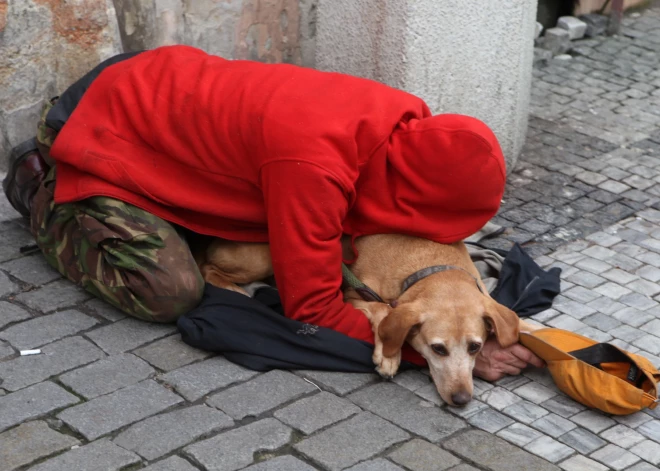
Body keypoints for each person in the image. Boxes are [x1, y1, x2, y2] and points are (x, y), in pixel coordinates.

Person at [2, 45, 543, 380]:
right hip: (99, 123)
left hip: (154, 86)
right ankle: (43, 193)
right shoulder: (314, 166)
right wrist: (427, 351)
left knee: (262, 236)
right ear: (413, 189)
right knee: (170, 290)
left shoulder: (409, 123)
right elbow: (313, 312)